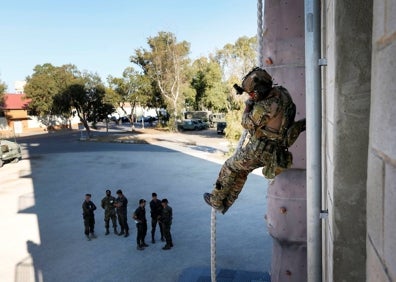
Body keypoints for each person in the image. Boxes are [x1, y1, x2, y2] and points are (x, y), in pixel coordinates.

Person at [204, 67, 306, 214]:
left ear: (260, 91)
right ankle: (226, 203)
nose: (251, 95)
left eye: (252, 93)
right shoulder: (282, 92)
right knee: (241, 172)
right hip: (274, 151)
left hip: (259, 150)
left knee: (229, 166)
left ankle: (216, 200)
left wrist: (247, 106)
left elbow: (246, 122)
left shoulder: (264, 107)